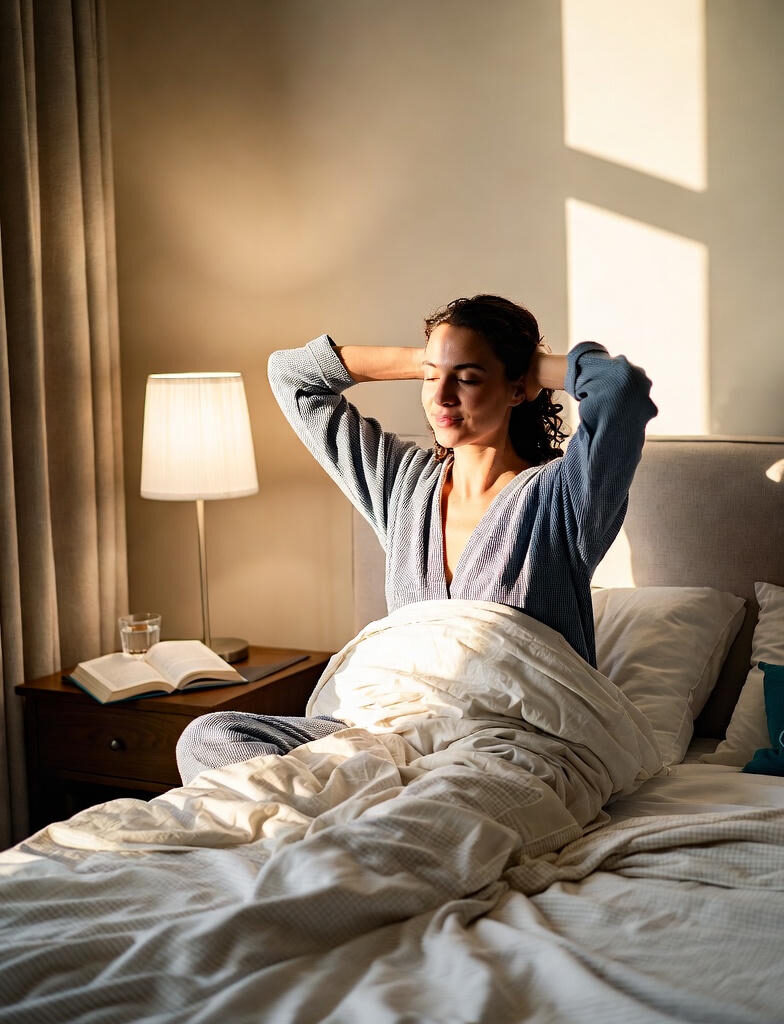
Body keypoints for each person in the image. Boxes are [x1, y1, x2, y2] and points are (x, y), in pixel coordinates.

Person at [175, 294, 657, 784]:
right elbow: (293, 376)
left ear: (518, 388)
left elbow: (620, 388)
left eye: (467, 378)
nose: (442, 396)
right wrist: (427, 359)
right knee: (208, 735)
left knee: (454, 789)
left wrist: (525, 367)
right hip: (386, 738)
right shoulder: (403, 487)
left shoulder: (565, 499)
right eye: (432, 378)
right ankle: (369, 807)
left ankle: (365, 808)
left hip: (506, 747)